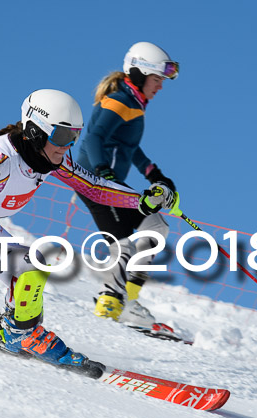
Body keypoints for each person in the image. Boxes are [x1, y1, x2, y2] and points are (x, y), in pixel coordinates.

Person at [0, 89, 175, 376]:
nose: (65, 146)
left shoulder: (47, 159)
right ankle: (21, 334)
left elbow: (93, 187)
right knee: (30, 264)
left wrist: (141, 200)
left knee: (27, 268)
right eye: (60, 137)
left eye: (73, 137)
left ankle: (14, 331)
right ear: (34, 131)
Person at [74, 41, 180, 327]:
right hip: (94, 181)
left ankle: (127, 299)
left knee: (155, 226)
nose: (160, 86)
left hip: (109, 181)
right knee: (122, 242)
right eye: (157, 79)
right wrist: (101, 171)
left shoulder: (134, 104)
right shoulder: (119, 101)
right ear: (139, 75)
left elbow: (129, 147)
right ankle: (109, 302)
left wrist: (154, 175)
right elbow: (93, 138)